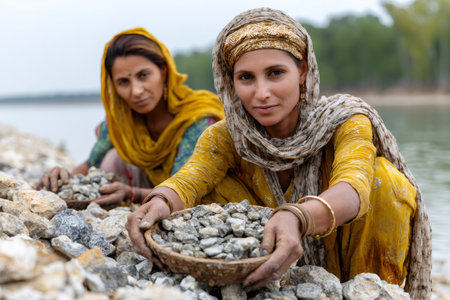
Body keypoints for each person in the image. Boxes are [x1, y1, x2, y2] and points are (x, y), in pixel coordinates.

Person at [125, 8, 431, 299]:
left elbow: (355, 188)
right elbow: (190, 179)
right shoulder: (226, 136)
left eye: (275, 73)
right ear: (230, 82)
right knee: (207, 191)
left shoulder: (345, 120)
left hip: (349, 265)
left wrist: (297, 217)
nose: (261, 93)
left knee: (386, 182)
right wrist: (160, 201)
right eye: (246, 77)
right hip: (260, 263)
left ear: (302, 71)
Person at [37, 27, 224, 207]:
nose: (136, 91)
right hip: (148, 191)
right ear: (114, 86)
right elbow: (91, 163)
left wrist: (131, 194)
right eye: (123, 82)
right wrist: (63, 178)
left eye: (143, 75)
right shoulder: (122, 123)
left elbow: (186, 186)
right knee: (113, 158)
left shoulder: (198, 118)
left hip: (201, 194)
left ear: (163, 71)